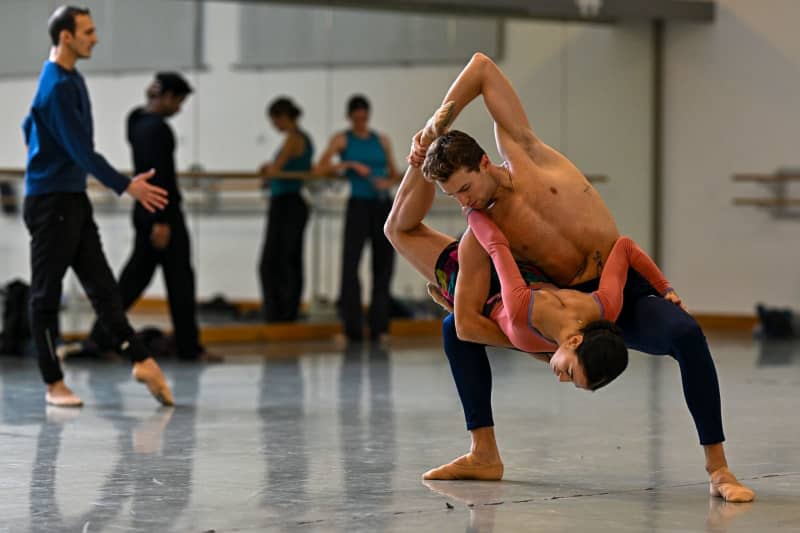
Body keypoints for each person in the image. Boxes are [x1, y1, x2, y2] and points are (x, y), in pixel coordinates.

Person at [405, 53, 753, 502]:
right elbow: (487, 259)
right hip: (560, 301)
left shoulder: (527, 153)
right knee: (457, 329)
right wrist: (521, 335)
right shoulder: (484, 221)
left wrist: (436, 124)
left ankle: (718, 469)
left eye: (466, 190)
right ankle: (483, 453)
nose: (464, 203)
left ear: (486, 163)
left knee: (686, 333)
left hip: (613, 290)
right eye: (455, 197)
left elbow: (482, 68)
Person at [22, 5, 173, 407]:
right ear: (66, 37)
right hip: (50, 201)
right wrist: (127, 186)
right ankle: (54, 383)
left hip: (70, 199)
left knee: (103, 286)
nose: (96, 38)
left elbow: (28, 126)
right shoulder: (56, 86)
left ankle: (140, 358)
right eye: (88, 32)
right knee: (45, 296)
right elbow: (79, 150)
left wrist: (43, 154)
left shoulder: (67, 77)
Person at [85, 72, 209, 362]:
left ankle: (99, 337)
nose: (178, 108)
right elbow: (160, 176)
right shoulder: (158, 130)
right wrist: (162, 220)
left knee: (133, 281)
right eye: (178, 101)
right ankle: (188, 347)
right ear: (166, 96)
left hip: (144, 209)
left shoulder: (135, 120)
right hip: (161, 211)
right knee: (178, 281)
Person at [315, 95, 400, 342]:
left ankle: (380, 326)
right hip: (358, 204)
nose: (362, 122)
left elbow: (394, 172)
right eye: (357, 118)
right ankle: (351, 327)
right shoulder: (342, 140)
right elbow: (320, 167)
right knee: (350, 264)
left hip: (382, 204)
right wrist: (350, 165)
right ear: (350, 117)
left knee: (383, 265)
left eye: (365, 117)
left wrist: (388, 181)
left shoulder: (381, 140)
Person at [258, 97, 313, 322]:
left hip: (286, 203)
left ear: (282, 117)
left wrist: (266, 170)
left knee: (275, 261)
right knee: (288, 259)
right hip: (290, 202)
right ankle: (285, 311)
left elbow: (275, 169)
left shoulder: (293, 139)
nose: (274, 125)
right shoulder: (304, 139)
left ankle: (279, 313)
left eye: (274, 120)